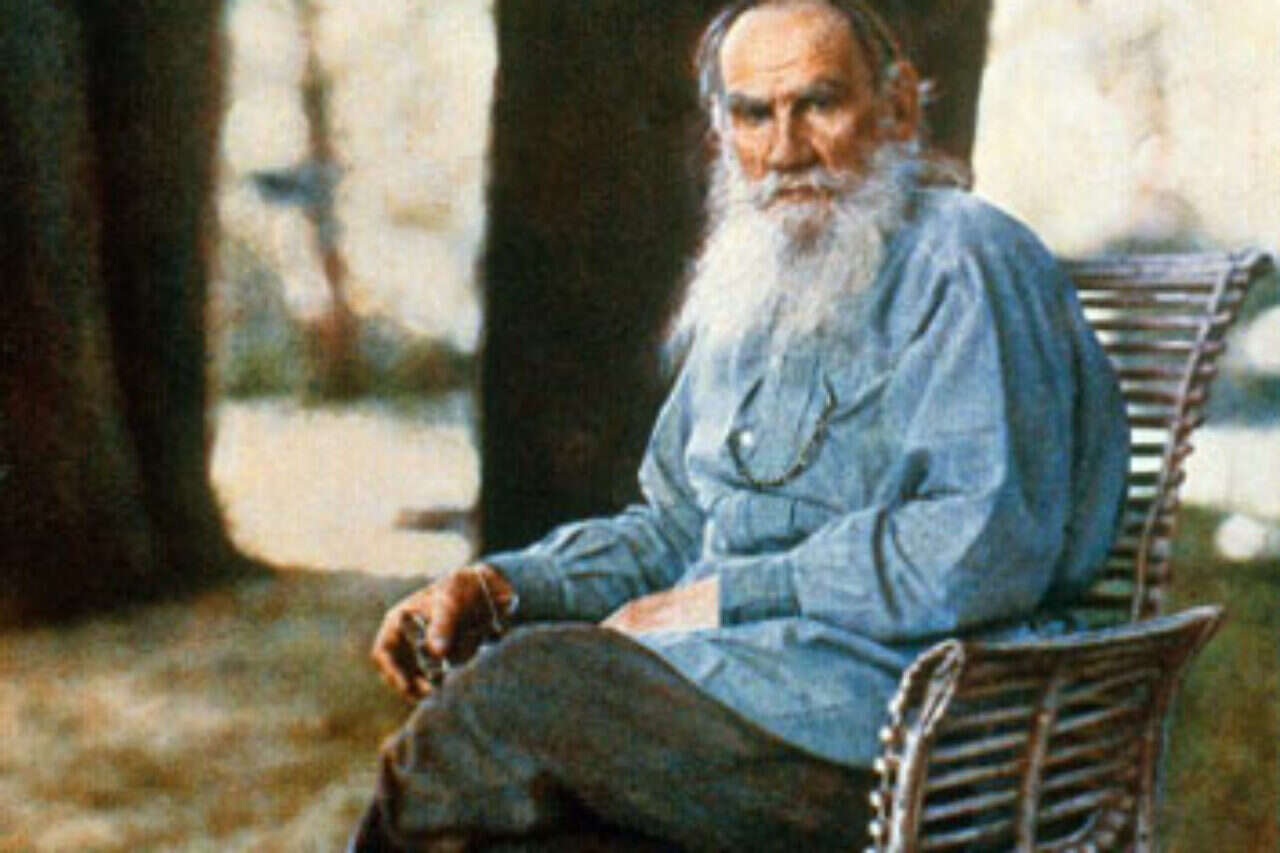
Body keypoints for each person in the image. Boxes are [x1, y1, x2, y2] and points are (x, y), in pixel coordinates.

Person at [351, 1, 1129, 849]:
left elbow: (980, 544)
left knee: (512, 694)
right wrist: (505, 586)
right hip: (732, 715)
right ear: (723, 131)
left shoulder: (963, 259)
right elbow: (676, 527)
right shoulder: (754, 282)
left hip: (899, 734)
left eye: (818, 104)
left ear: (898, 107)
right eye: (754, 114)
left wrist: (730, 597)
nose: (786, 149)